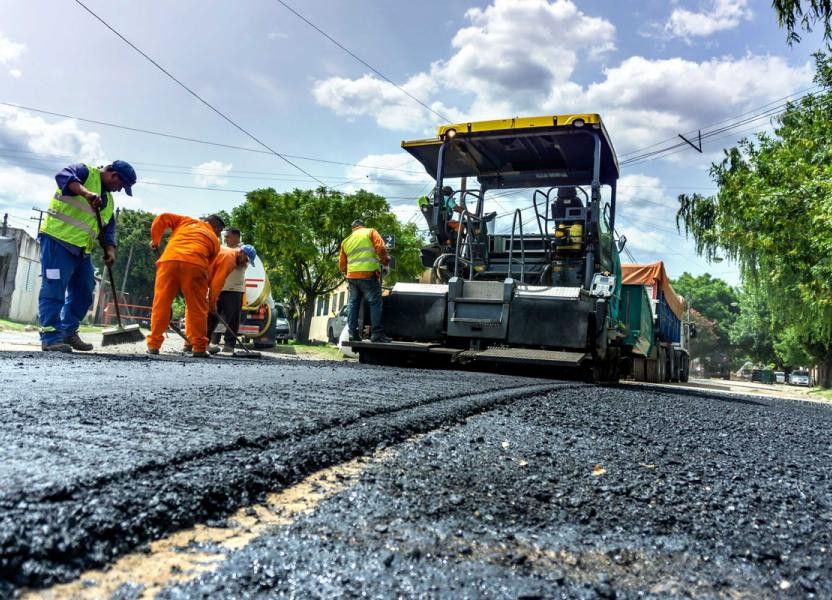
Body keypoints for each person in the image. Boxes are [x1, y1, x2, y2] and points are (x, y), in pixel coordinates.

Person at [37, 160, 137, 352]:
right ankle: (50, 337)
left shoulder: (108, 201)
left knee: (85, 290)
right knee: (54, 289)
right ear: (113, 175)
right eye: (120, 185)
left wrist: (110, 250)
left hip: (82, 251)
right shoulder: (84, 172)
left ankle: (68, 331)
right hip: (58, 241)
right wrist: (86, 193)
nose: (119, 190)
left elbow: (108, 230)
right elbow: (62, 177)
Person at [147, 214, 223, 357]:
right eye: (219, 232)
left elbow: (162, 218)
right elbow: (209, 264)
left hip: (169, 260)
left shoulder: (185, 221)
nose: (218, 235)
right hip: (196, 265)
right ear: (216, 227)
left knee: (161, 304)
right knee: (197, 308)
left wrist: (155, 240)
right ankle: (199, 348)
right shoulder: (214, 241)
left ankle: (153, 345)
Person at [339, 218, 391, 343]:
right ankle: (377, 333)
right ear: (362, 226)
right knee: (375, 302)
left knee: (353, 304)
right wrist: (385, 263)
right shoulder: (370, 232)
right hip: (368, 275)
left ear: (353, 229)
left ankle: (353, 334)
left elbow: (342, 265)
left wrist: (349, 272)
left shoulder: (346, 241)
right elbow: (381, 247)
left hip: (352, 277)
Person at [206, 242, 257, 354]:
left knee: (233, 319)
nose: (246, 262)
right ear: (242, 252)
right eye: (247, 259)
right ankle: (204, 342)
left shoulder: (240, 261)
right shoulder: (230, 256)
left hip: (235, 291)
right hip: (219, 289)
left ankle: (229, 345)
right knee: (211, 317)